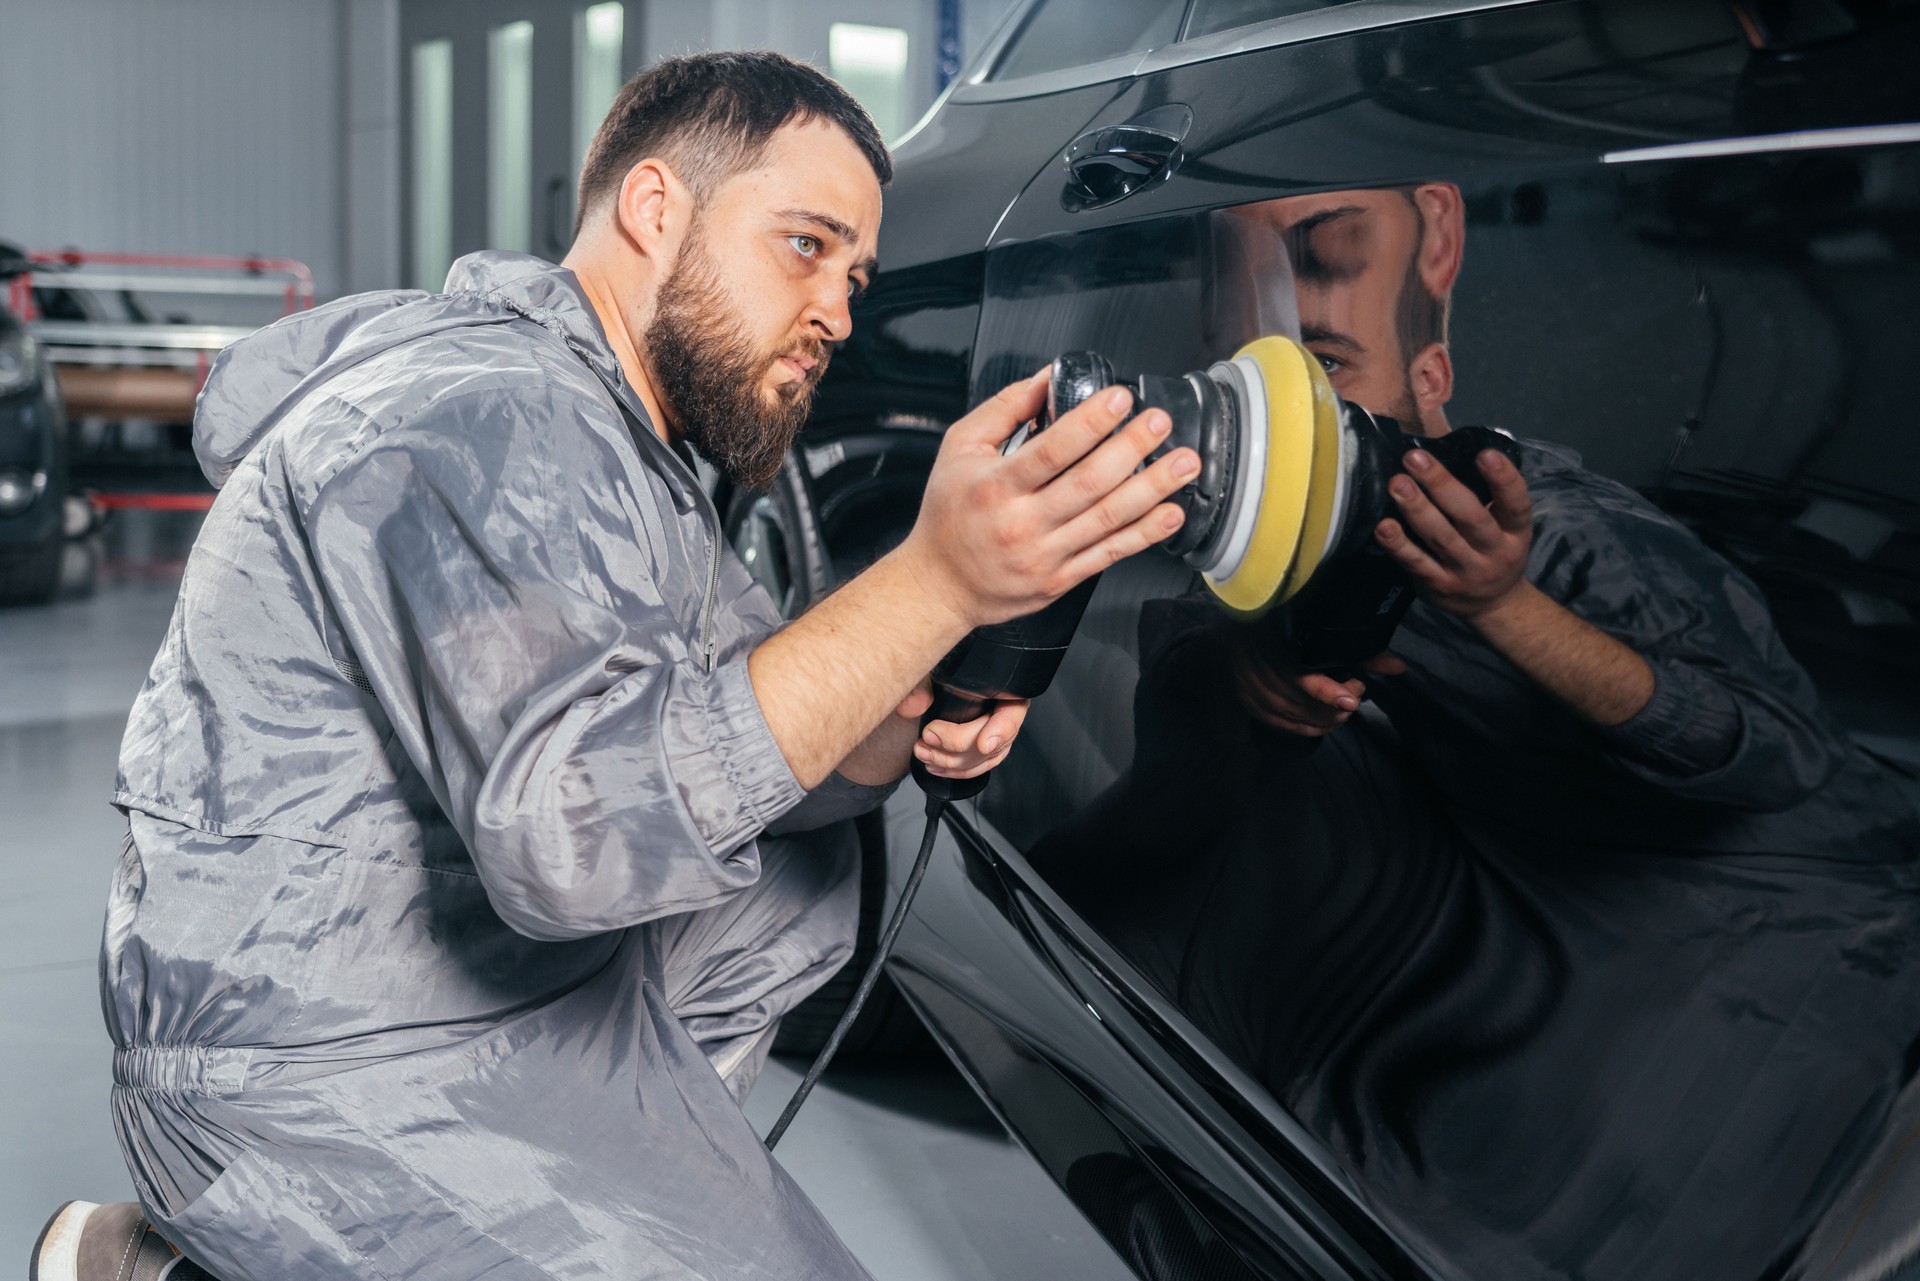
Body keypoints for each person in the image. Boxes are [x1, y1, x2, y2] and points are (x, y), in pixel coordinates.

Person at [31, 53, 1201, 1281]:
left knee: (797, 866)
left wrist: (909, 690)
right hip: (309, 1070)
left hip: (461, 999)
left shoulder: (621, 443)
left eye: (855, 275)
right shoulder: (483, 414)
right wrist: (935, 578)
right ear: (655, 210)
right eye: (804, 246)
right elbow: (571, 840)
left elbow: (752, 742)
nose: (840, 312)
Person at [1035, 183, 1920, 1280]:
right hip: (1476, 947)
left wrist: (1506, 611)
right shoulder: (1292, 551)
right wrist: (1253, 679)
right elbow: (1190, 678)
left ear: (1436, 380)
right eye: (1265, 377)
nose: (1297, 421)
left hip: (1758, 956)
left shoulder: (1564, 529)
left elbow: (1768, 750)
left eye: (1331, 366)